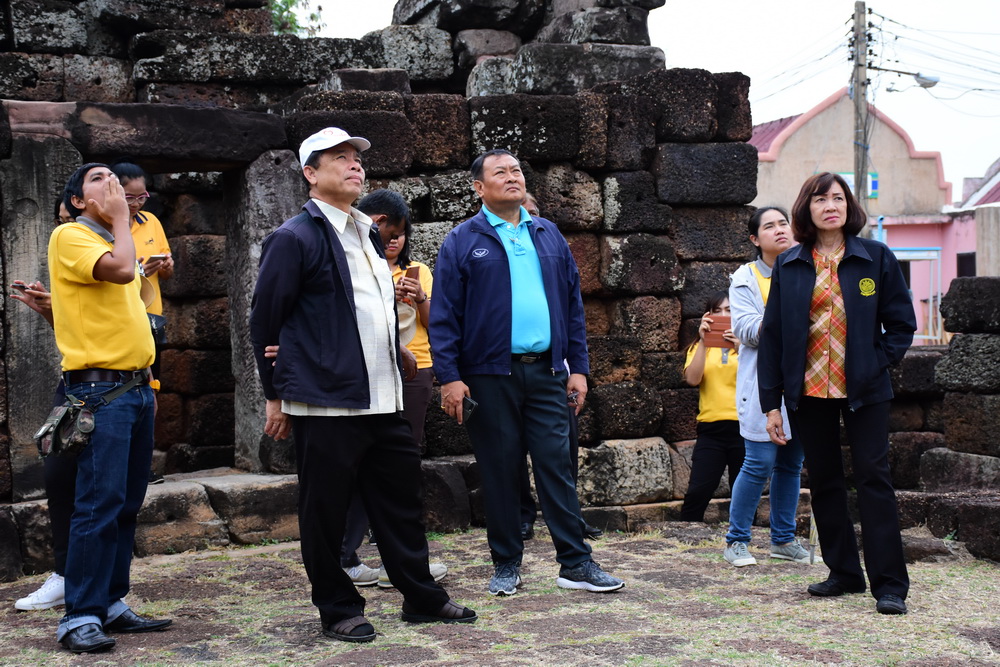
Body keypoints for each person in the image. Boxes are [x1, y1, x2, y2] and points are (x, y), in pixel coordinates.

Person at [250, 127, 476, 643]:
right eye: (339, 158)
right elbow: (265, 322)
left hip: (385, 393)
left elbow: (366, 310)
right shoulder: (293, 238)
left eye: (356, 158)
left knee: (400, 501)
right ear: (310, 173)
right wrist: (275, 396)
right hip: (326, 401)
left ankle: (421, 596)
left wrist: (395, 351)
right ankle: (338, 609)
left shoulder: (369, 235)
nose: (354, 165)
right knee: (325, 510)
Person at [430, 148, 623, 596]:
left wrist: (579, 369)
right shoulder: (462, 240)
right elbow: (443, 316)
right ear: (479, 187)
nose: (512, 177)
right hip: (488, 375)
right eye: (500, 172)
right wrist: (450, 377)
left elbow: (573, 306)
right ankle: (506, 563)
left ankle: (576, 564)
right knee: (499, 469)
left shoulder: (548, 233)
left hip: (548, 372)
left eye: (516, 170)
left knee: (557, 465)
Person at [758, 172, 916, 616]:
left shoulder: (876, 258)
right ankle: (844, 571)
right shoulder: (789, 264)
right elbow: (772, 339)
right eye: (821, 199)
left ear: (849, 206)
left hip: (865, 390)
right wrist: (772, 403)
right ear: (806, 208)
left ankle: (889, 585)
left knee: (873, 478)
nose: (832, 205)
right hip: (808, 391)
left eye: (839, 198)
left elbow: (902, 325)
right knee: (825, 481)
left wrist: (874, 361)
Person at [50, 164, 170, 653]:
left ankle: (111, 602)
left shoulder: (111, 242)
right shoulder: (70, 235)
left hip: (136, 390)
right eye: (99, 179)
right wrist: (124, 219)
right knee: (97, 506)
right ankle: (79, 615)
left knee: (125, 505)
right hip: (100, 393)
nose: (113, 185)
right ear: (79, 201)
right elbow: (122, 270)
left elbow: (124, 297)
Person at [335, 189, 447, 590]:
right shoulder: (358, 267)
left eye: (401, 233)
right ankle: (358, 555)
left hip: (416, 371)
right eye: (388, 231)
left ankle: (390, 556)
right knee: (370, 463)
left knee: (401, 463)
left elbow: (437, 325)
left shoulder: (418, 270)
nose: (394, 240)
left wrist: (419, 298)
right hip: (371, 368)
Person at [723, 206, 819, 568]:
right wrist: (794, 322)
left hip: (804, 382)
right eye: (769, 226)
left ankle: (782, 539)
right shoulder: (746, 277)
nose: (779, 230)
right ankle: (736, 539)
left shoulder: (806, 267)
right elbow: (747, 329)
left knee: (792, 463)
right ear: (754, 238)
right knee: (758, 462)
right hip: (762, 383)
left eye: (783, 223)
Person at [517, 192, 602, 543]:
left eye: (533, 211)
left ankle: (571, 520)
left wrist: (577, 370)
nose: (529, 217)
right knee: (511, 452)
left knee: (561, 452)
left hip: (555, 370)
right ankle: (522, 516)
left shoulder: (552, 246)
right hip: (506, 369)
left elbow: (573, 311)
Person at [679, 292, 743, 522]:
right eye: (717, 311)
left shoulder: (750, 345)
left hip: (744, 428)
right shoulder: (698, 347)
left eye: (729, 310)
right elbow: (693, 379)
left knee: (744, 492)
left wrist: (743, 348)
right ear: (708, 315)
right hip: (711, 428)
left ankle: (746, 537)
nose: (723, 315)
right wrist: (704, 341)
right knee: (698, 489)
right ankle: (684, 533)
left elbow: (760, 378)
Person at [109, 161, 173, 380]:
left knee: (151, 380)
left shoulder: (151, 221)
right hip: (118, 316)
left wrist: (166, 266)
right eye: (129, 197)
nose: (136, 204)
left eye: (142, 197)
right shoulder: (104, 228)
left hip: (151, 315)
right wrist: (138, 271)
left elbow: (166, 273)